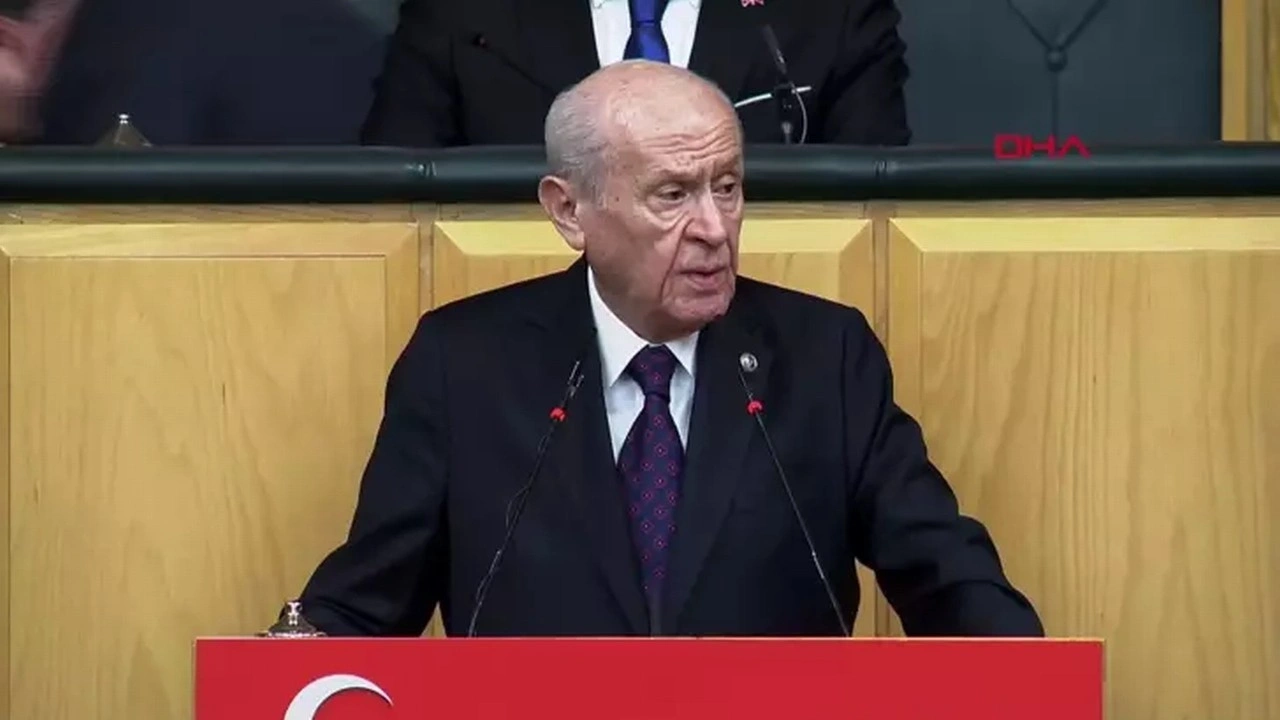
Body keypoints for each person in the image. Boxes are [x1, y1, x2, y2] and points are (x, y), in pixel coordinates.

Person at [293, 60, 1040, 638]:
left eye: (728, 187)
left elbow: (948, 577)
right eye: (673, 195)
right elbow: (365, 605)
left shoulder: (825, 358)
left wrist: (1024, 671)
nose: (714, 228)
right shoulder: (463, 365)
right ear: (568, 210)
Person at [362, 0, 910, 147]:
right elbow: (390, 204)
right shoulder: (463, 15)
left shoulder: (832, 11)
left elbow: (878, 205)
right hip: (519, 347)